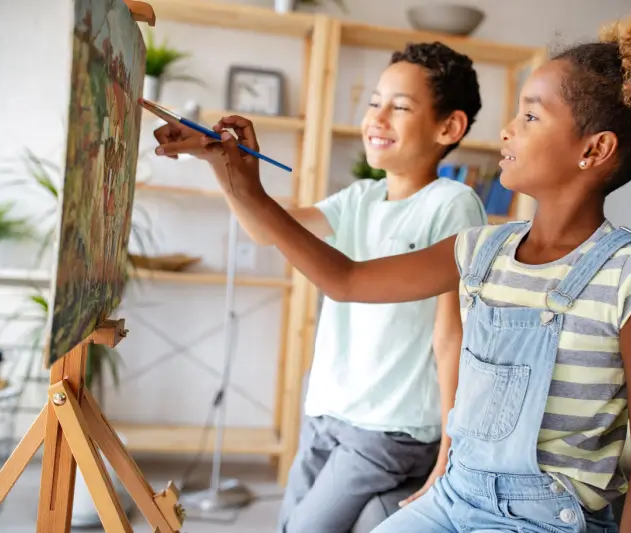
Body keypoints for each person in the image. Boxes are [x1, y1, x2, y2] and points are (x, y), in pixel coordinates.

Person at [153, 7, 631, 532]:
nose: (507, 130)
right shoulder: (481, 250)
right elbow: (346, 280)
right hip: (456, 495)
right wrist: (242, 182)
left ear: (595, 150)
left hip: (542, 516)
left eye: (530, 116)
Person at [156, 42, 487, 532]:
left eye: (399, 107)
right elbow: (265, 230)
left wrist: (449, 455)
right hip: (326, 412)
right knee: (289, 523)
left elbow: (451, 337)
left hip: (390, 429)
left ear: (449, 128)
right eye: (374, 102)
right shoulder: (361, 197)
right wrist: (221, 167)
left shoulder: (453, 204)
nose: (377, 118)